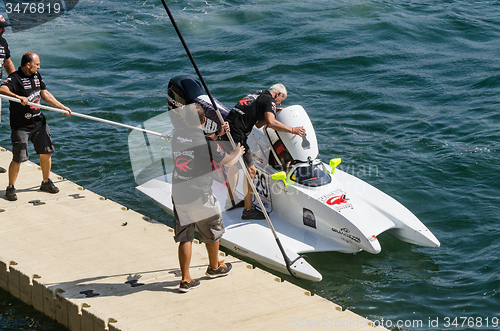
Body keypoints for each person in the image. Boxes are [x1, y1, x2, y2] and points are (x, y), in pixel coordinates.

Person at [171, 103, 244, 292]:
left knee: (185, 236)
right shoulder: (207, 143)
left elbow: (197, 140)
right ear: (204, 120)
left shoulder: (177, 135)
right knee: (213, 230)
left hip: (179, 194)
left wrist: (217, 134)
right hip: (200, 195)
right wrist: (238, 151)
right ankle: (214, 267)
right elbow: (229, 161)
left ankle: (185, 279)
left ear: (185, 120)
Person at [221, 84, 306, 219]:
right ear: (277, 94)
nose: (278, 103)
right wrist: (293, 130)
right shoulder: (269, 100)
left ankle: (231, 201)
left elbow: (259, 124)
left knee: (236, 166)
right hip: (236, 135)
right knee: (251, 170)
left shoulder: (258, 94)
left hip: (227, 130)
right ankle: (248, 211)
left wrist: (273, 110)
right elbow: (271, 123)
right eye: (280, 100)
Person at [0, 51, 71, 201]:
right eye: (37, 64)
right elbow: (2, 89)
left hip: (39, 123)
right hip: (21, 126)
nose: (39, 67)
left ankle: (45, 182)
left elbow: (44, 94)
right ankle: (11, 187)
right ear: (28, 64)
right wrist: (18, 97)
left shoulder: (37, 76)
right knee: (18, 158)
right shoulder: (15, 78)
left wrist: (61, 107)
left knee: (46, 153)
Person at [0, 15, 15, 174]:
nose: (3, 29)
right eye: (1, 26)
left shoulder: (3, 43)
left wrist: (16, 83)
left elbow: (8, 63)